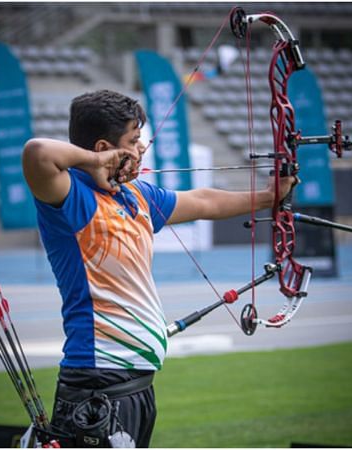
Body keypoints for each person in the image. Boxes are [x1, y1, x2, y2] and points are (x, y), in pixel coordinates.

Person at [21, 90, 294, 447]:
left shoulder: (136, 195)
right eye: (134, 141)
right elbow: (36, 153)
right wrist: (95, 161)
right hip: (97, 382)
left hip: (137, 386)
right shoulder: (72, 198)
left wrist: (271, 194)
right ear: (105, 147)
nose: (141, 150)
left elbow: (203, 201)